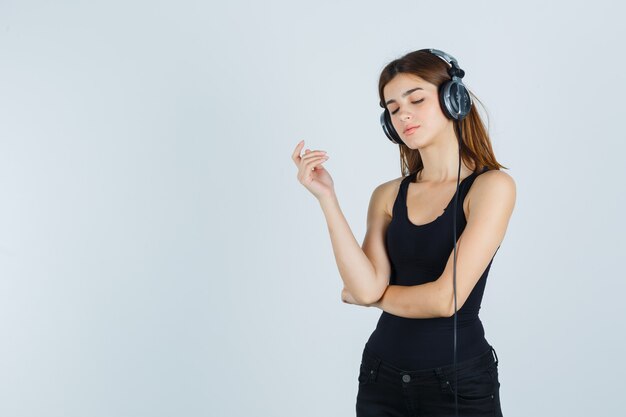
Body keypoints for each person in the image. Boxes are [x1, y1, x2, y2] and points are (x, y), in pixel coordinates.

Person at [291, 49, 515, 417]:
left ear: (452, 101)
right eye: (393, 108)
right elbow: (364, 285)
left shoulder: (492, 187)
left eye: (416, 99)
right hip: (381, 377)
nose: (403, 114)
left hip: (457, 384)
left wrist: (373, 298)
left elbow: (447, 299)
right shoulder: (387, 195)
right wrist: (327, 199)